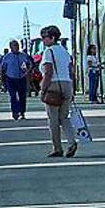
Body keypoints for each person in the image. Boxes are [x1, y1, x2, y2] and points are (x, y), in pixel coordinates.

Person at [39, 25, 78, 158]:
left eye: (44, 37)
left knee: (53, 119)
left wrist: (43, 90)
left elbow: (48, 72)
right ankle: (72, 142)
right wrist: (72, 89)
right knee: (64, 117)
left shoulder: (48, 52)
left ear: (52, 37)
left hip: (54, 86)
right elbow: (71, 71)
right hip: (67, 84)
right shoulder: (65, 52)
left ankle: (57, 147)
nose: (43, 40)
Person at [0, 40, 32, 120]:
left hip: (21, 78)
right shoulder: (7, 57)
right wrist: (2, 80)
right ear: (10, 47)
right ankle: (15, 112)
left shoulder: (24, 55)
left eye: (17, 45)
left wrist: (27, 71)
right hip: (10, 78)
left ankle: (22, 112)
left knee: (22, 96)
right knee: (13, 96)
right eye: (14, 45)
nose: (16, 47)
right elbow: (2, 69)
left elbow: (30, 64)